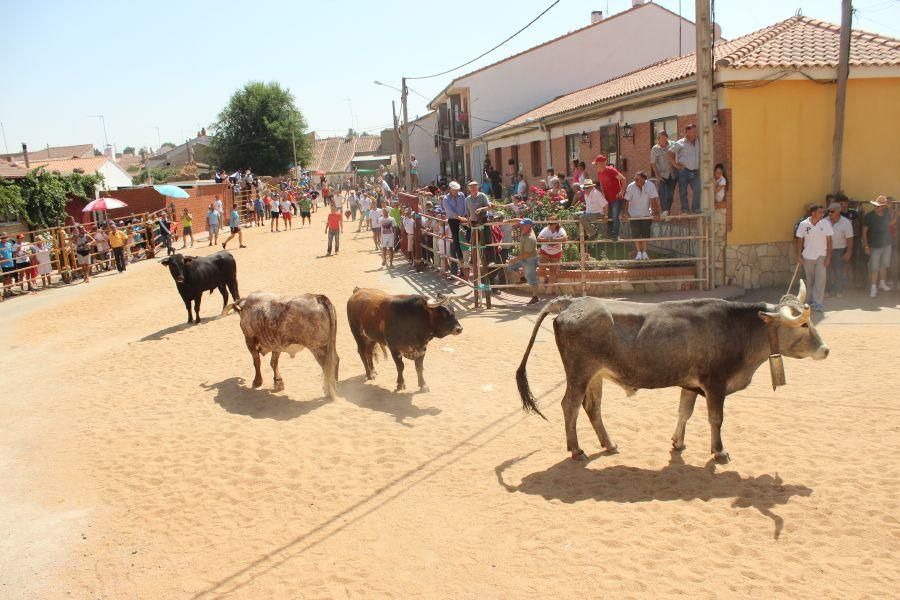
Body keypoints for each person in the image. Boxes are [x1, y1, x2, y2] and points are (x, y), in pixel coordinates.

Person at [795, 204, 833, 311]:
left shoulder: (826, 224)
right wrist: (798, 255)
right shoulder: (803, 224)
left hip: (821, 255)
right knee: (809, 279)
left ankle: (818, 303)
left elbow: (829, 241)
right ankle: (809, 300)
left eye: (822, 212)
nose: (822, 214)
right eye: (820, 212)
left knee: (820, 280)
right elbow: (800, 240)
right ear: (813, 213)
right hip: (807, 256)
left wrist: (829, 257)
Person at [622, 172, 661, 260]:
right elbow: (626, 201)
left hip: (646, 214)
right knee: (636, 234)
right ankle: (639, 252)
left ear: (644, 179)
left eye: (637, 179)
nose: (635, 181)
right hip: (634, 214)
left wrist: (656, 213)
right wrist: (624, 214)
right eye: (634, 179)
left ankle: (644, 252)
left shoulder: (650, 186)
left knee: (645, 234)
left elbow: (653, 200)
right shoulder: (630, 186)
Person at [862, 195, 895, 298]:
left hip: (886, 244)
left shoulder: (886, 214)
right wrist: (866, 246)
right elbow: (864, 231)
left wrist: (895, 214)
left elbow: (890, 223)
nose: (878, 207)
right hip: (874, 245)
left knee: (884, 265)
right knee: (874, 267)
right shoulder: (869, 216)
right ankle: (873, 287)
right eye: (876, 205)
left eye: (880, 206)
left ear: (884, 206)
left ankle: (882, 283)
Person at [504, 218, 540, 305]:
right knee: (510, 267)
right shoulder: (527, 229)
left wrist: (514, 259)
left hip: (529, 259)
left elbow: (527, 254)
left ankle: (535, 297)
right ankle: (522, 278)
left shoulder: (530, 238)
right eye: (522, 224)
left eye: (523, 225)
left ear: (529, 226)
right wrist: (509, 220)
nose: (521, 225)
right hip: (523, 257)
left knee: (532, 279)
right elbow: (519, 220)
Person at [593, 154, 627, 240]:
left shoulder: (611, 170)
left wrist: (622, 191)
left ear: (601, 163)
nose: (595, 166)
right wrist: (603, 195)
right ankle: (610, 233)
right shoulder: (599, 172)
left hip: (616, 198)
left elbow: (623, 179)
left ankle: (615, 234)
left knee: (615, 216)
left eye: (596, 164)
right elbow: (601, 184)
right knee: (608, 215)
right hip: (607, 198)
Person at [669, 124, 701, 214]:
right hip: (683, 171)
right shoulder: (680, 143)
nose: (696, 133)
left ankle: (696, 208)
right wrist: (675, 165)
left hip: (695, 171)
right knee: (683, 191)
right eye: (694, 131)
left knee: (698, 189)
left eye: (696, 131)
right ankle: (685, 209)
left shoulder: (698, 141)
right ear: (687, 132)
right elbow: (670, 153)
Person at [825, 201, 853, 298]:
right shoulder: (824, 221)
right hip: (826, 250)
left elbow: (850, 238)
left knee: (838, 271)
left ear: (838, 211)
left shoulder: (846, 223)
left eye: (832, 211)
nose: (829, 213)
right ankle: (827, 290)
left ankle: (839, 291)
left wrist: (849, 252)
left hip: (839, 250)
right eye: (829, 211)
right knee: (826, 272)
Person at [442, 181, 467, 275]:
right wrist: (460, 218)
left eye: (457, 190)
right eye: (455, 190)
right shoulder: (446, 199)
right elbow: (449, 211)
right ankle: (460, 257)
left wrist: (465, 217)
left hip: (463, 217)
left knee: (470, 234)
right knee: (456, 238)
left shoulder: (461, 195)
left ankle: (470, 254)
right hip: (454, 219)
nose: (457, 191)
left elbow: (465, 206)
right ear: (450, 189)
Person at [650, 131, 676, 215]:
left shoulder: (673, 145)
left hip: (672, 174)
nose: (658, 140)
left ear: (665, 138)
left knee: (670, 195)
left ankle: (667, 211)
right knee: (662, 193)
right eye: (657, 138)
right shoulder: (655, 149)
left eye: (660, 138)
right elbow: (653, 163)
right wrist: (658, 176)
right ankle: (665, 210)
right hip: (662, 175)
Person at [537, 220, 567, 295]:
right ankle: (547, 279)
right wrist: (550, 240)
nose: (549, 225)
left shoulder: (560, 230)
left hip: (556, 252)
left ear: (556, 224)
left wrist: (553, 240)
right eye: (549, 223)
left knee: (553, 271)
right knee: (541, 268)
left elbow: (565, 238)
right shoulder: (545, 229)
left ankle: (551, 290)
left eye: (551, 224)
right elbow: (538, 238)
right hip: (545, 251)